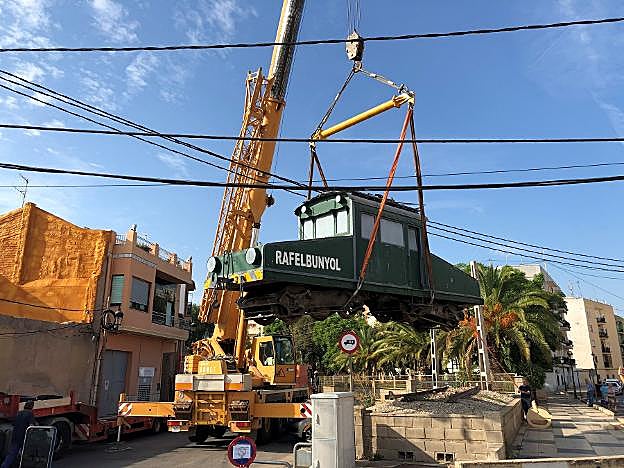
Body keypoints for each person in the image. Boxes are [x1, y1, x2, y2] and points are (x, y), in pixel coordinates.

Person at [1, 400, 36, 468]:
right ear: (32, 407)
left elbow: (13, 423)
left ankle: (4, 466)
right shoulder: (30, 414)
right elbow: (31, 425)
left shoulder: (19, 413)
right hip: (23, 437)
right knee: (25, 453)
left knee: (11, 454)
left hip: (15, 436)